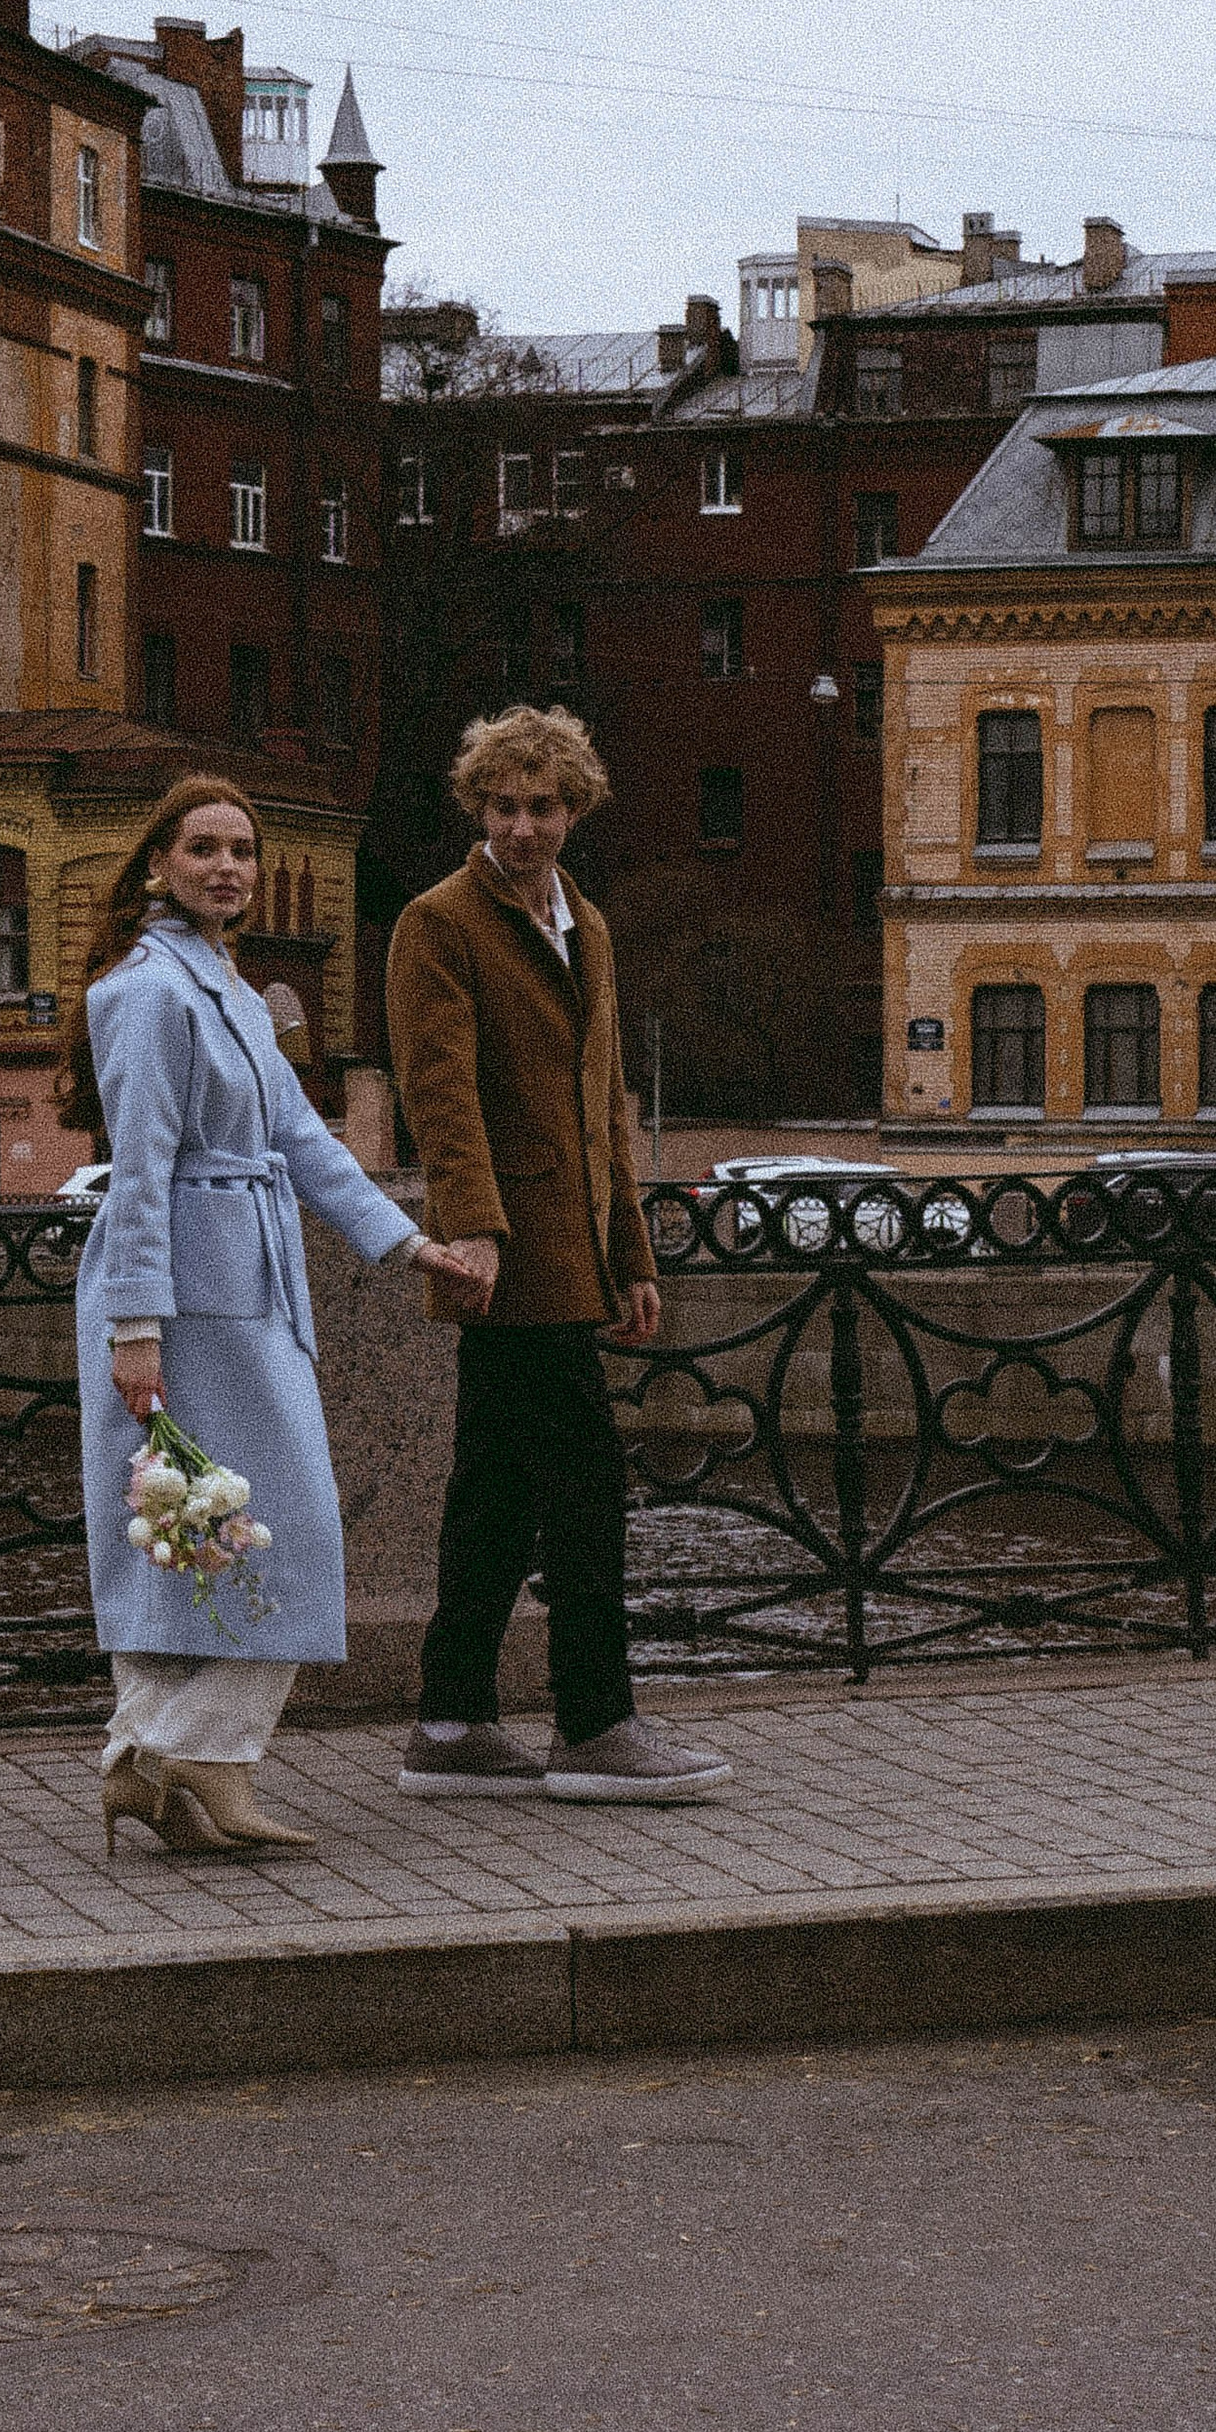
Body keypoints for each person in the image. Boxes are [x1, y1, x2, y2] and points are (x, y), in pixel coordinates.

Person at [59, 777, 483, 1853]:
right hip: (189, 1295)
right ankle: (204, 1752)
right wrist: (135, 1327)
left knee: (202, 1529)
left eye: (242, 850)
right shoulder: (150, 992)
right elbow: (141, 1168)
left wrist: (405, 1240)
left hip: (242, 1279)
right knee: (227, 1529)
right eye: (202, 848)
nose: (226, 868)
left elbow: (302, 1143)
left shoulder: (234, 994)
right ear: (157, 863)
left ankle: (140, 1766)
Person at [384, 704, 732, 1801]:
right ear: (477, 810)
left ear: (575, 810)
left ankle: (448, 1724)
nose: (522, 827)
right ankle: (592, 1724)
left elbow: (601, 1111)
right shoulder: (438, 923)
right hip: (508, 1257)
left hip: (572, 1252)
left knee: (492, 1488)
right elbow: (438, 1092)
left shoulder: (587, 923)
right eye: (502, 807)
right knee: (583, 1488)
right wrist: (472, 1228)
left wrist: (633, 1256)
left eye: (542, 806)